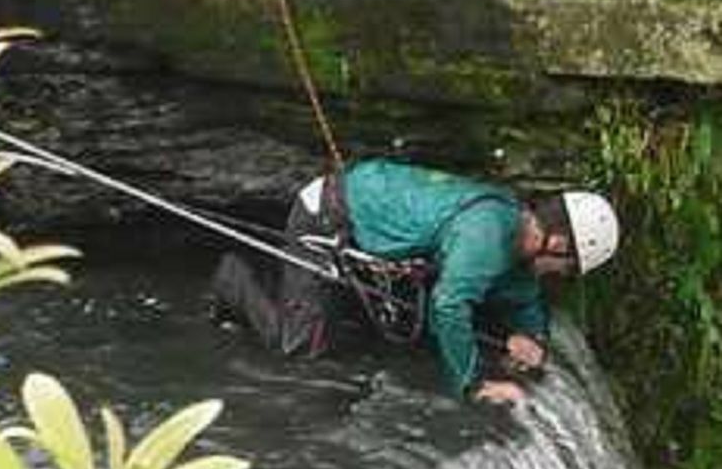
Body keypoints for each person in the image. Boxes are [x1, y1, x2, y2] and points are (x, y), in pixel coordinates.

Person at [211, 159, 620, 406]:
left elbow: (520, 292)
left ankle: (289, 287)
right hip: (328, 215)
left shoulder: (513, 227)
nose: (559, 277)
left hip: (370, 216)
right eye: (566, 268)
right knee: (300, 344)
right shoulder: (487, 235)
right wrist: (474, 383)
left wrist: (531, 335)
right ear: (558, 242)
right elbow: (448, 305)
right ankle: (234, 279)